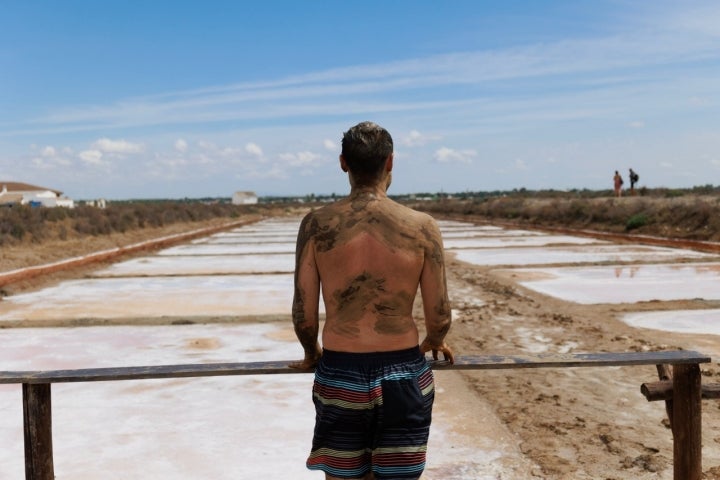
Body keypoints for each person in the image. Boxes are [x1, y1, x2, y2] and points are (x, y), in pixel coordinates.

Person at [290, 121, 454, 480]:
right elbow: (439, 314)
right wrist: (436, 340)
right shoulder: (422, 226)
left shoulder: (316, 224)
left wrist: (311, 354)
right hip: (402, 374)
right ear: (391, 162)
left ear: (343, 163)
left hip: (340, 372)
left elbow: (303, 314)